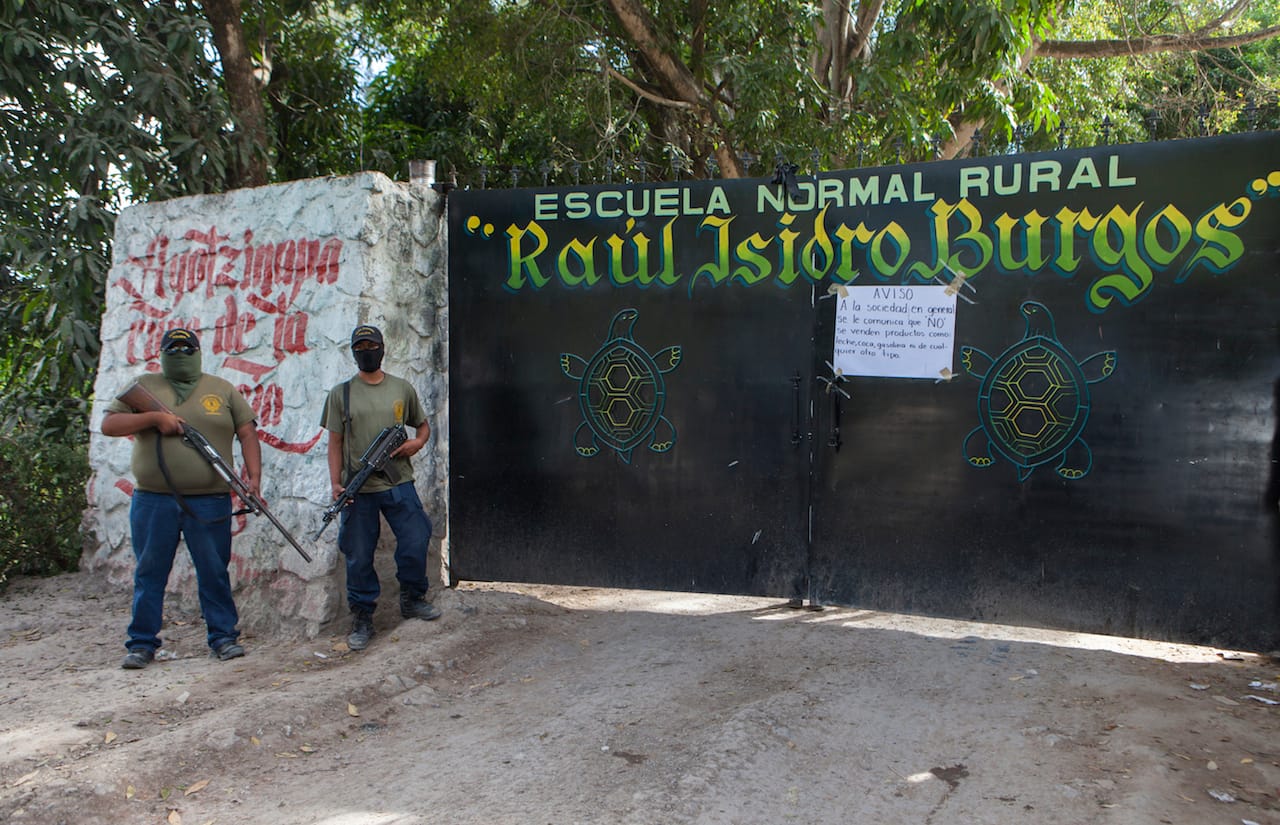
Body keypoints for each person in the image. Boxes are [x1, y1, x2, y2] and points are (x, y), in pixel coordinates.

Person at [101, 328, 260, 669]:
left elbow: (247, 432)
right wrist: (155, 418)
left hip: (210, 499)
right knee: (150, 572)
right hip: (153, 500)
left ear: (198, 352)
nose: (180, 353)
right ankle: (142, 644)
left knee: (213, 571)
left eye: (187, 348)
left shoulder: (221, 389)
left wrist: (254, 479)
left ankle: (223, 638)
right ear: (162, 353)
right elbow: (110, 424)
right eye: (173, 348)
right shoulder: (146, 386)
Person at [321, 324, 441, 651]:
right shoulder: (340, 394)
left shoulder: (401, 388)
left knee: (416, 537)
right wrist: (335, 482)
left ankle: (413, 598)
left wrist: (417, 443)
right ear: (353, 351)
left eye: (371, 345)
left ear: (382, 348)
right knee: (358, 554)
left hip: (398, 481)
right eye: (360, 346)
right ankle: (362, 616)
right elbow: (334, 443)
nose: (366, 351)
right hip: (358, 489)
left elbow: (423, 425)